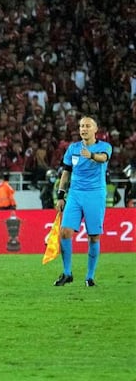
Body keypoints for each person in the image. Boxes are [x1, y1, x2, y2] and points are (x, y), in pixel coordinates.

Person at [52, 116, 111, 287]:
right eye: (81, 126)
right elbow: (66, 172)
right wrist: (61, 195)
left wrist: (91, 155)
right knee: (65, 232)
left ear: (95, 129)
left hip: (95, 194)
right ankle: (67, 273)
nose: (83, 129)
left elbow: (103, 158)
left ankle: (90, 277)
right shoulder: (73, 148)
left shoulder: (104, 146)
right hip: (75, 194)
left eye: (87, 126)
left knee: (93, 236)